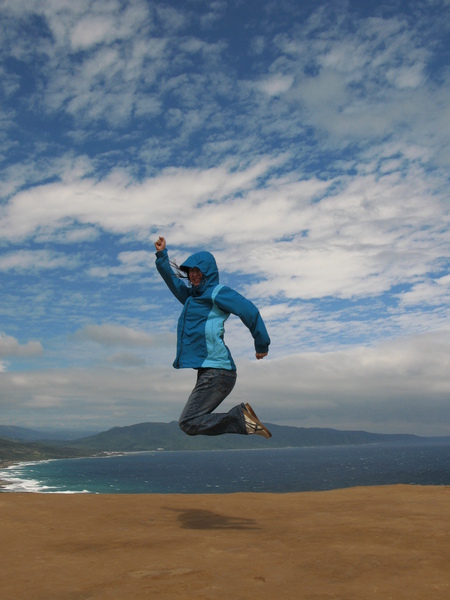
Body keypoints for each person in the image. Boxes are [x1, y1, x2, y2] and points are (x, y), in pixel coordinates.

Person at [154, 236, 272, 438]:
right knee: (191, 422)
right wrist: (162, 255)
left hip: (218, 372)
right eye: (191, 271)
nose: (193, 275)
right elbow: (173, 282)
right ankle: (241, 419)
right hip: (210, 371)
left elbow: (249, 311)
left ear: (208, 271)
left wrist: (261, 343)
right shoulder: (192, 298)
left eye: (198, 270)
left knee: (188, 422)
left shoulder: (217, 292)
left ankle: (240, 419)